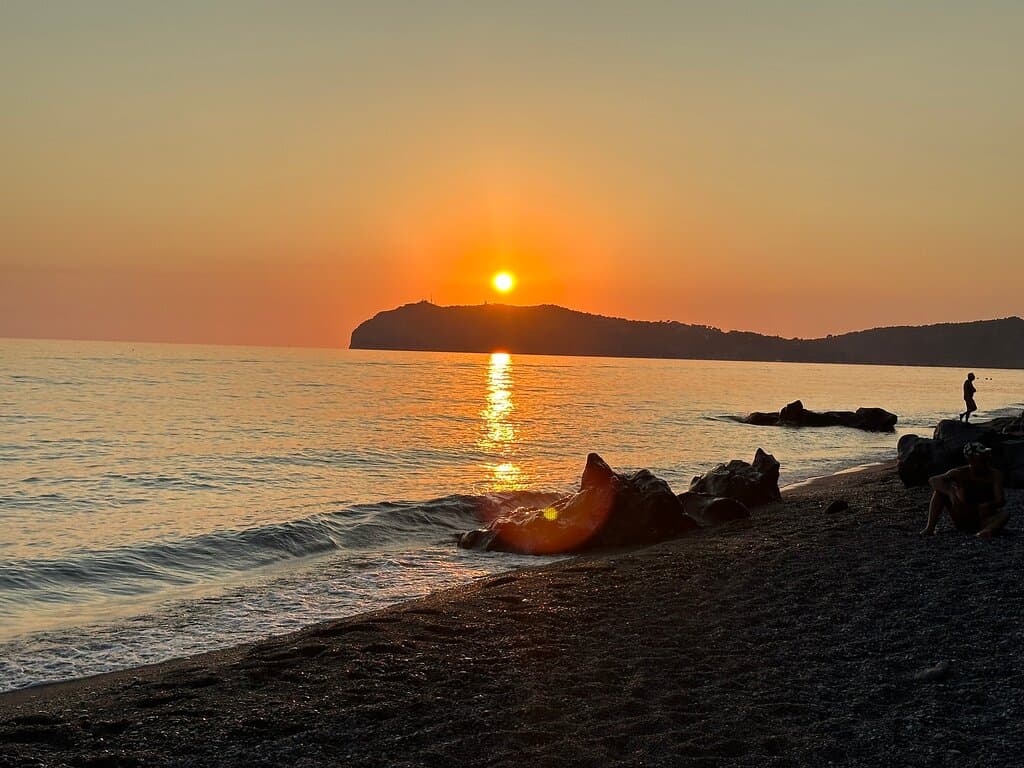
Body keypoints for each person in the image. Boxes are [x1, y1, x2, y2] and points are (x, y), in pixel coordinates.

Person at [920, 442, 1007, 538]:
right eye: (981, 459)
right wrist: (950, 493)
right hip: (962, 515)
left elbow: (1000, 500)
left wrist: (988, 505)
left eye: (986, 457)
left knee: (1005, 514)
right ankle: (930, 528)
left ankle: (987, 531)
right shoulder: (959, 473)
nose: (985, 461)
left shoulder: (995, 475)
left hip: (983, 519)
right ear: (971, 460)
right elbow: (933, 480)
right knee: (939, 493)